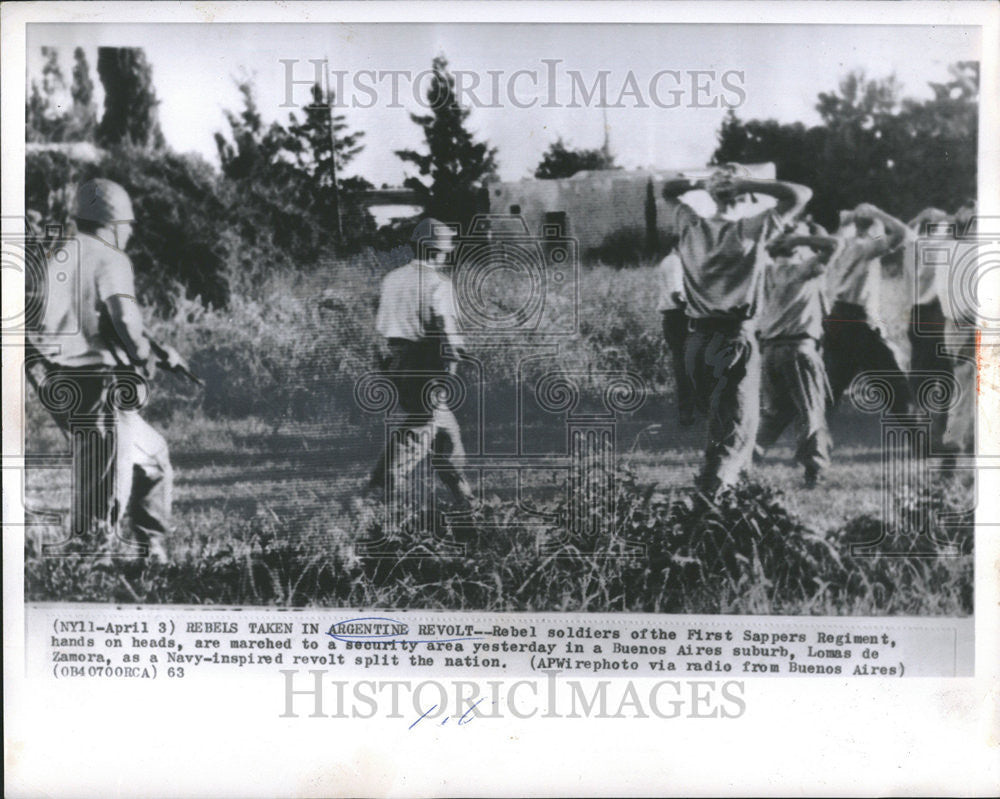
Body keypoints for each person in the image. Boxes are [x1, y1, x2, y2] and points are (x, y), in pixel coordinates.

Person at [30, 178, 180, 562]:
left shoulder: (58, 256)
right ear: (114, 223)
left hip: (59, 379)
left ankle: (153, 551)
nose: (129, 234)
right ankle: (93, 564)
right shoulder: (110, 257)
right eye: (129, 226)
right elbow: (124, 318)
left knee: (152, 458)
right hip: (99, 385)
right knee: (106, 480)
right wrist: (144, 352)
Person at [661, 164, 813, 493]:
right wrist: (747, 182)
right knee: (735, 430)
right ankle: (710, 502)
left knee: (722, 424)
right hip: (734, 338)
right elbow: (801, 194)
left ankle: (731, 499)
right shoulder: (750, 229)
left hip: (697, 338)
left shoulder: (691, 226)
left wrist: (705, 183)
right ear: (742, 195)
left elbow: (667, 190)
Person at [365, 217, 475, 513]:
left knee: (446, 431)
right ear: (439, 250)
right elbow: (446, 335)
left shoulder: (392, 279)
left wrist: (388, 369)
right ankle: (377, 494)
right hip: (427, 362)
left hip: (397, 360)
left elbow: (381, 330)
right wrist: (449, 371)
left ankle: (464, 500)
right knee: (421, 427)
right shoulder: (438, 283)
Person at [755, 225, 839, 487]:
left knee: (775, 413)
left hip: (769, 350)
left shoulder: (763, 272)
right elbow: (835, 245)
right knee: (811, 411)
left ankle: (747, 455)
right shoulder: (801, 270)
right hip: (798, 348)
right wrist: (801, 237)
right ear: (794, 246)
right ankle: (815, 468)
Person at [824, 202, 913, 417]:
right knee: (895, 386)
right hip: (856, 320)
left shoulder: (837, 245)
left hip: (835, 317)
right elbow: (904, 234)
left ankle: (810, 444)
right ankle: (920, 440)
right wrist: (878, 212)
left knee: (831, 388)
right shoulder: (863, 248)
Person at [901, 206, 955, 449]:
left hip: (918, 316)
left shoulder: (914, 246)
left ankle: (919, 438)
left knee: (920, 379)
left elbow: (905, 233)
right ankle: (939, 435)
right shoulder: (945, 245)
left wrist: (918, 217)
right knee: (946, 379)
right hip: (939, 315)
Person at [655, 238, 694, 426]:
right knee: (685, 365)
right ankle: (687, 411)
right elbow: (677, 294)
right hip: (679, 316)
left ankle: (690, 409)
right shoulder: (674, 262)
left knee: (686, 364)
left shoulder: (673, 261)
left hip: (676, 316)